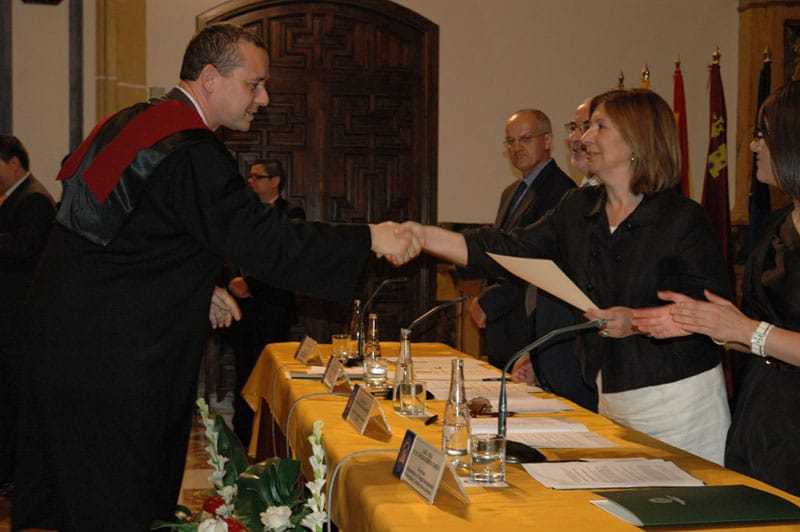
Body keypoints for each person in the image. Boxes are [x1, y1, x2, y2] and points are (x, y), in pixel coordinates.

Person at [13, 23, 416, 531]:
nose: (263, 99)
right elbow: (267, 243)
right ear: (209, 78)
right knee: (118, 508)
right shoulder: (191, 150)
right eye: (254, 84)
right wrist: (369, 238)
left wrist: (196, 285)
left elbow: (115, 237)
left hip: (72, 346)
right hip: (114, 368)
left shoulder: (137, 122)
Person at [401, 89, 732, 465]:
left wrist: (637, 322)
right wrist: (425, 237)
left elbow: (714, 313)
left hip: (680, 402)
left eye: (599, 127)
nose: (584, 137)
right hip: (610, 396)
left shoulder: (682, 219)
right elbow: (511, 249)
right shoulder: (578, 208)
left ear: (637, 139)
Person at [632, 81, 800, 496]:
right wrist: (706, 324)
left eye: (763, 133)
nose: (754, 145)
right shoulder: (776, 226)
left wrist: (746, 331)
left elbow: (757, 332)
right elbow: (758, 334)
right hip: (762, 422)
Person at [468, 110, 574, 370]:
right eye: (510, 141)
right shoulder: (511, 192)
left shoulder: (563, 192)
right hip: (501, 326)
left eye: (525, 139)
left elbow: (535, 260)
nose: (516, 148)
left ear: (547, 140)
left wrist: (490, 301)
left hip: (529, 324)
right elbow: (500, 254)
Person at [227, 159, 306, 444]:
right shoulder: (244, 212)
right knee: (244, 372)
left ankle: (267, 439)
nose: (251, 182)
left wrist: (251, 284)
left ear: (275, 181)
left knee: (270, 373)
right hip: (242, 307)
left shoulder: (291, 213)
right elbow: (228, 248)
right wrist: (233, 279)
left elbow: (286, 259)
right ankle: (242, 436)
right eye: (250, 177)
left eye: (257, 177)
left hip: (273, 307)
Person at [0, 136, 56, 493]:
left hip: (18, 319)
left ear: (13, 163)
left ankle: (17, 474)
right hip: (9, 318)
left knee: (15, 397)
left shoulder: (34, 199)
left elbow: (24, 250)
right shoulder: (16, 196)